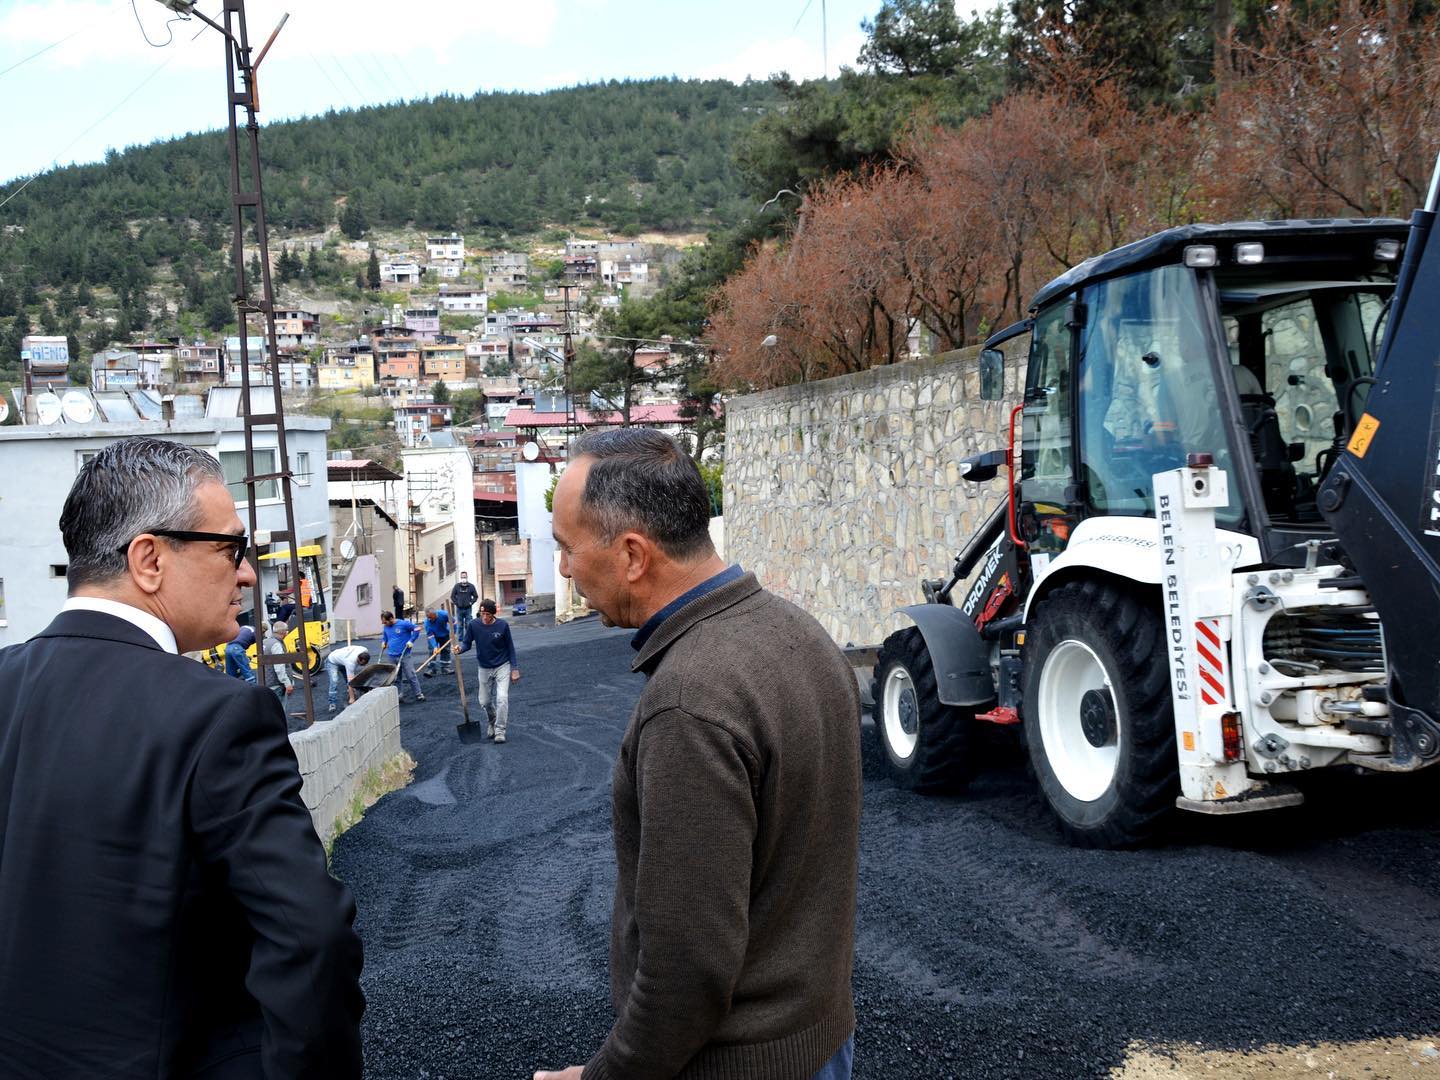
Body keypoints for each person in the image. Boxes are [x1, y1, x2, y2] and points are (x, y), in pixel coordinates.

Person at [0, 436, 364, 1077]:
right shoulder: (218, 715)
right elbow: (310, 938)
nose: (248, 572)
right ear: (148, 560)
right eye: (231, 549)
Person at [533, 429, 861, 1080]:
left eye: (567, 549)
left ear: (632, 555)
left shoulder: (689, 704)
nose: (564, 570)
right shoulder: (803, 633)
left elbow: (686, 975)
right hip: (819, 1044)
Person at [454, 597, 519, 742]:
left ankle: (500, 730)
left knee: (502, 698)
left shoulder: (502, 626)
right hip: (484, 667)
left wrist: (514, 668)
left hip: (502, 665)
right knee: (484, 702)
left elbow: (510, 647)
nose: (484, 617)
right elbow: (466, 643)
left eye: (487, 615)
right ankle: (492, 721)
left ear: (493, 614)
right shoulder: (474, 625)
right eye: (482, 614)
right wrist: (460, 649)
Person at [381, 609, 425, 704]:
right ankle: (399, 695)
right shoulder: (386, 627)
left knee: (410, 675)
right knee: (395, 677)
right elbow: (385, 636)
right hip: (392, 656)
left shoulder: (403, 624)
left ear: (391, 618)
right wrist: (384, 642)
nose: (384, 624)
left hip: (404, 654)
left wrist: (411, 641)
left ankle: (418, 694)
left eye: (385, 622)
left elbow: (417, 629)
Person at [326, 643, 371, 715]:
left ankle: (352, 693)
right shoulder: (350, 663)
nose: (362, 665)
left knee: (349, 678)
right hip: (332, 661)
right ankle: (332, 703)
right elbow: (351, 682)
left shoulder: (364, 650)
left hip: (342, 659)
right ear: (358, 659)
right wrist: (352, 699)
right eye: (361, 664)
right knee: (334, 681)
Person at [261, 619, 295, 707]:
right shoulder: (276, 645)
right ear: (284, 632)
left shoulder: (265, 642)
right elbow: (279, 667)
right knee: (280, 712)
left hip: (266, 683)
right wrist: (287, 683)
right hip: (276, 685)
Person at [421, 606, 452, 677]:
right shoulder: (427, 622)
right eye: (429, 618)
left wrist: (454, 632)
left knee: (446, 650)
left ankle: (445, 668)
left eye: (432, 617)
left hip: (445, 635)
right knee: (432, 651)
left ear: (436, 615)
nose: (431, 619)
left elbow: (454, 622)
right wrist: (435, 646)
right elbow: (430, 636)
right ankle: (432, 669)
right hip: (434, 636)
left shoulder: (444, 614)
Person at [451, 571, 478, 641]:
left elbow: (475, 596)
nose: (463, 578)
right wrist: (457, 603)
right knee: (460, 625)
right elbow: (452, 596)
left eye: (464, 577)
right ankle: (460, 639)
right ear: (460, 577)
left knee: (468, 624)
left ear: (467, 577)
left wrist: (471, 603)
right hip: (459, 609)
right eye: (462, 577)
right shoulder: (457, 586)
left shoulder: (471, 586)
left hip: (468, 609)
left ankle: (468, 638)